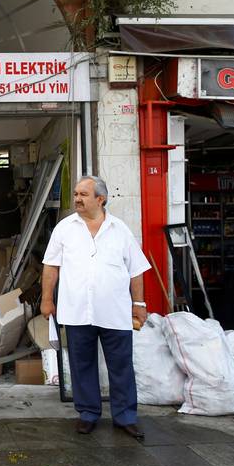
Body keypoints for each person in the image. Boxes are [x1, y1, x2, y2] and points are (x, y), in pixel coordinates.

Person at [40, 176, 151, 439]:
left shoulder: (120, 229)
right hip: (77, 310)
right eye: (76, 194)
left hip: (115, 311)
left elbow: (136, 270)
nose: (77, 199)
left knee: (121, 365)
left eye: (84, 194)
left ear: (101, 199)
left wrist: (139, 303)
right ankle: (88, 413)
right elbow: (50, 266)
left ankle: (125, 416)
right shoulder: (64, 228)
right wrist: (47, 299)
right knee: (82, 364)